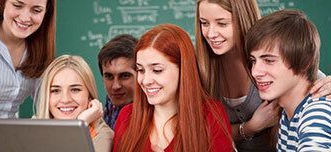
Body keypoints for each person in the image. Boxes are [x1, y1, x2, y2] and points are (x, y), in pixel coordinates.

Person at [195, 0, 331, 151]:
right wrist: (250, 127)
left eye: (222, 23)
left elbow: (308, 76)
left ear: (242, 19)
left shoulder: (312, 113)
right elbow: (199, 133)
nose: (211, 34)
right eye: (204, 23)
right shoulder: (199, 70)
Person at [113, 24, 233, 152]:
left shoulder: (211, 115)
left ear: (183, 70)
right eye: (140, 70)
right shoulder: (127, 116)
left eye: (157, 70)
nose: (146, 81)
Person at [246, 9, 331, 151]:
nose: (255, 72)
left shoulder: (316, 113)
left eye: (269, 60)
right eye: (253, 60)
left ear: (305, 62)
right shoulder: (288, 112)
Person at [0, 0, 55, 118]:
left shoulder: (40, 48)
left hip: (10, 134)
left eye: (36, 10)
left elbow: (46, 104)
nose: (25, 18)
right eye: (17, 5)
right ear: (3, 3)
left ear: (46, 12)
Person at [35, 55, 114, 152]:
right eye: (55, 90)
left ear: (89, 94)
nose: (65, 99)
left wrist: (81, 123)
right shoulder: (33, 127)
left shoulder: (102, 134)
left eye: (75, 89)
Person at [97, 34, 138, 129]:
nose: (115, 86)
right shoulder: (109, 108)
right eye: (109, 76)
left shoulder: (155, 116)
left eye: (124, 76)